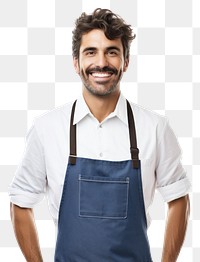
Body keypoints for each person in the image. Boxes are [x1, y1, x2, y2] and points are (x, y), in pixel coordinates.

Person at [9, 8, 190, 262]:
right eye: (91, 52)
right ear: (76, 63)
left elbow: (178, 198)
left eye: (112, 52)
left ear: (126, 61)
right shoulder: (46, 128)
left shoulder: (155, 128)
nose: (101, 62)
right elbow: (20, 202)